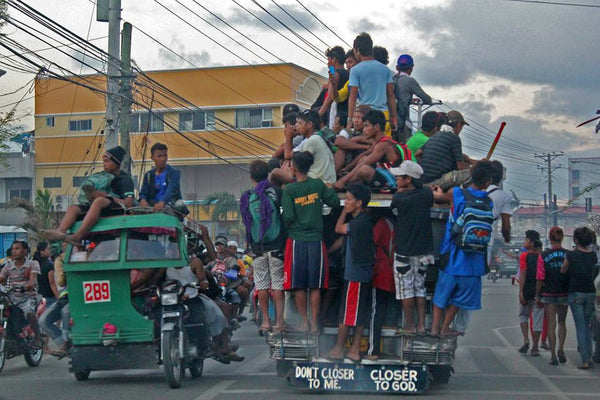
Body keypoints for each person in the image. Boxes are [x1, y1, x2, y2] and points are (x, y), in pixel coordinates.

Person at [430, 161, 495, 337]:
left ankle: (435, 328)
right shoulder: (489, 202)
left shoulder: (456, 193)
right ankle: (445, 328)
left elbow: (437, 197)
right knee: (458, 300)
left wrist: (437, 190)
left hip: (452, 256)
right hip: (474, 263)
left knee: (440, 296)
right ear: (488, 182)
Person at [281, 151, 340, 333]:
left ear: (295, 167)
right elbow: (335, 202)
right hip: (316, 241)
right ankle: (315, 324)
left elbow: (288, 217)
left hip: (297, 241)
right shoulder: (317, 185)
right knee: (315, 286)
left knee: (299, 285)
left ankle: (304, 322)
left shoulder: (289, 190)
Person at [44, 146, 134, 244]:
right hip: (97, 206)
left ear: (116, 163)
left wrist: (107, 196)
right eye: (103, 161)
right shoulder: (102, 176)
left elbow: (128, 204)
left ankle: (78, 236)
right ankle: (60, 231)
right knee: (73, 208)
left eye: (107, 161)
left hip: (116, 208)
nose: (104, 165)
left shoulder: (125, 180)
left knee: (99, 201)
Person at [324, 183, 374, 362]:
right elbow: (343, 240)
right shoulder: (364, 221)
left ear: (359, 203)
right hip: (362, 275)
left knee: (346, 315)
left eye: (349, 199)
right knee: (358, 314)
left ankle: (338, 349)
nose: (346, 201)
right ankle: (353, 350)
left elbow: (339, 229)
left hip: (355, 276)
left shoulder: (358, 223)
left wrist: (343, 211)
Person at [240, 160, 286, 332]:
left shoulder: (246, 197)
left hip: (258, 249)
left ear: (251, 176)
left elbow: (247, 223)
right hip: (276, 247)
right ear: (268, 175)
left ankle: (266, 321)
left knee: (261, 285)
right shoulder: (276, 192)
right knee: (278, 285)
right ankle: (280, 322)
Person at [390, 161, 434, 335]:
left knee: (405, 290)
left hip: (404, 251)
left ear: (408, 179)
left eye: (399, 176)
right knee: (420, 288)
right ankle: (421, 325)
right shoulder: (426, 194)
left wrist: (398, 193)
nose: (396, 179)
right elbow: (428, 195)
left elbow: (394, 207)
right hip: (423, 251)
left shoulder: (399, 198)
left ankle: (409, 326)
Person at [334, 109, 414, 191]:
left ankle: (345, 187)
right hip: (387, 174)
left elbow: (364, 164)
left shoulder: (383, 145)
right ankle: (347, 186)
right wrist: (347, 168)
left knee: (364, 170)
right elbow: (363, 156)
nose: (364, 130)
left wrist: (342, 181)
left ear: (376, 127)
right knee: (363, 159)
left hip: (394, 181)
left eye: (366, 126)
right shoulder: (379, 141)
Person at [560, 227, 599, 369]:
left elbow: (563, 270)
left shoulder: (571, 255)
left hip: (575, 293)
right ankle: (589, 355)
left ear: (576, 240)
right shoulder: (594, 256)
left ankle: (585, 359)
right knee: (588, 326)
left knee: (581, 327)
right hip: (591, 293)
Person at [346, 33, 398, 136]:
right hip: (384, 117)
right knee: (384, 146)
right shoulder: (385, 70)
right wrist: (394, 118)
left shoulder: (355, 70)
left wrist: (350, 120)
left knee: (367, 149)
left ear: (357, 50)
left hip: (366, 117)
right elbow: (391, 96)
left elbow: (353, 96)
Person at [0, 241, 42, 349]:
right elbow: (2, 279)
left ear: (25, 251)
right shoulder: (8, 267)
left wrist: (29, 284)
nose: (14, 251)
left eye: (17, 248)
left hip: (28, 297)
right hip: (12, 298)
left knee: (29, 313)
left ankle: (38, 337)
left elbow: (33, 279)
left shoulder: (33, 264)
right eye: (13, 249)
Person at [536, 227, 569, 365]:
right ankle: (561, 348)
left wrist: (537, 295)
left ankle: (553, 355)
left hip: (549, 292)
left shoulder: (543, 256)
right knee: (562, 322)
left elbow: (540, 277)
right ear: (562, 238)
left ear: (549, 239)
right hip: (564, 292)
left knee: (551, 324)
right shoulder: (568, 254)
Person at [366, 213, 395, 360]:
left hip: (381, 273)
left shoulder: (382, 224)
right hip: (392, 272)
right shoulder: (396, 225)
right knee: (384, 308)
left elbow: (371, 243)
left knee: (375, 312)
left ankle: (373, 350)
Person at [419, 111, 473, 190]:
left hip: (423, 181)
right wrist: (473, 168)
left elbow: (418, 153)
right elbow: (461, 167)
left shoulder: (435, 136)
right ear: (458, 125)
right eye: (462, 126)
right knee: (472, 174)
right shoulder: (454, 138)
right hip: (436, 182)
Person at [39, 241, 71, 358]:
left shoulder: (85, 257)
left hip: (80, 297)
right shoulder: (60, 260)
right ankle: (64, 344)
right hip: (65, 297)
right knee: (43, 321)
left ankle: (66, 343)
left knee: (66, 312)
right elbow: (60, 281)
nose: (65, 246)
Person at [393, 54, 433, 143]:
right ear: (411, 68)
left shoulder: (393, 79)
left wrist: (410, 100)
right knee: (405, 150)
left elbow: (397, 97)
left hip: (391, 120)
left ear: (397, 67)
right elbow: (427, 99)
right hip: (403, 123)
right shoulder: (410, 81)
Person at [518, 231, 544, 356]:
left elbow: (522, 273)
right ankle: (535, 347)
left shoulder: (524, 256)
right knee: (538, 318)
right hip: (539, 291)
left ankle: (526, 340)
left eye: (526, 240)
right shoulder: (542, 256)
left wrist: (521, 291)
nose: (525, 242)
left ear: (531, 243)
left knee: (523, 315)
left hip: (527, 290)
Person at [139, 142, 185, 213]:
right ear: (152, 158)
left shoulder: (174, 173)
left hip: (169, 206)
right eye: (159, 156)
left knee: (179, 204)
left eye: (165, 155)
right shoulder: (148, 175)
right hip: (152, 207)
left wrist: (162, 203)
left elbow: (171, 190)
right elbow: (143, 193)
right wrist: (143, 200)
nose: (162, 159)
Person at [334, 105, 372, 173]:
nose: (355, 121)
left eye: (359, 118)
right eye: (354, 117)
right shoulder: (349, 131)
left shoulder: (371, 133)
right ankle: (332, 176)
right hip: (347, 161)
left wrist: (359, 139)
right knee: (341, 149)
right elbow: (338, 142)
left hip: (360, 166)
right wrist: (362, 145)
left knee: (364, 158)